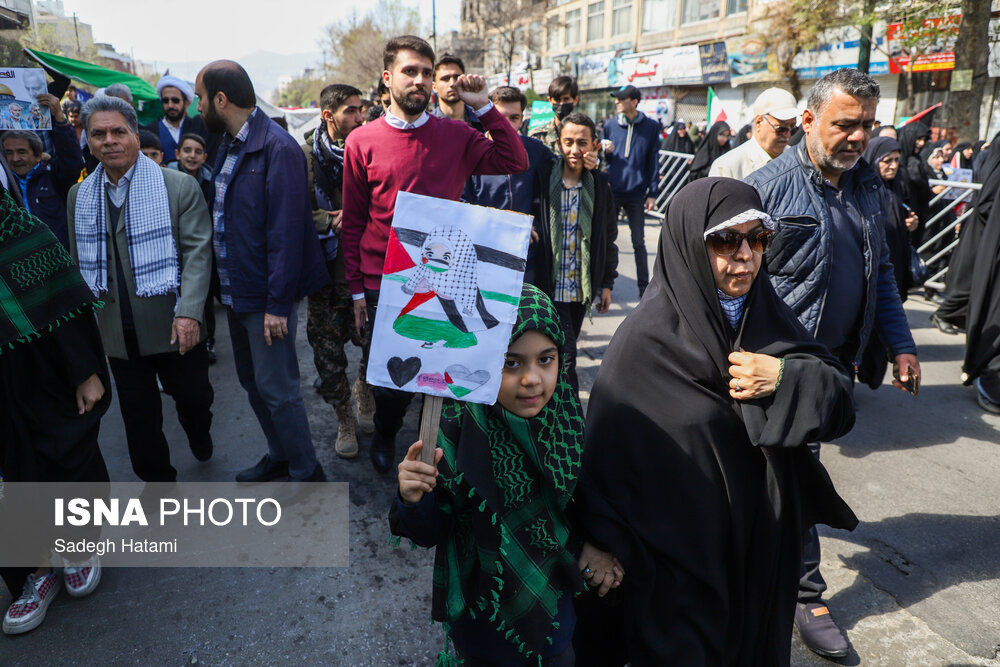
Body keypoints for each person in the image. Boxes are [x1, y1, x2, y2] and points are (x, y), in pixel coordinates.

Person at [574, 178, 857, 666]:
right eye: (726, 240)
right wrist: (594, 543)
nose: (745, 255)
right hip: (677, 572)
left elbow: (839, 404)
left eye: (758, 239)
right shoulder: (643, 346)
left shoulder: (769, 319)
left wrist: (786, 377)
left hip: (760, 561)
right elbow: (604, 467)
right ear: (689, 243)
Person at [745, 68, 919, 660]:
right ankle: (795, 592)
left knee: (797, 476)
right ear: (808, 121)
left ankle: (798, 592)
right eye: (846, 124)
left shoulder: (869, 187)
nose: (858, 137)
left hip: (832, 371)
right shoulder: (766, 189)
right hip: (770, 371)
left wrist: (902, 345)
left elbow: (884, 275)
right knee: (773, 478)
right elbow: (732, 286)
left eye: (867, 126)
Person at [390, 283, 621, 666]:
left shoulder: (566, 420)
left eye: (545, 360)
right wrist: (414, 497)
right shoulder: (456, 428)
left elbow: (584, 506)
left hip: (555, 621)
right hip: (484, 628)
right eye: (510, 363)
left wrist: (596, 543)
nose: (532, 379)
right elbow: (428, 531)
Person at [341, 35, 528, 474]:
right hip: (381, 282)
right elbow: (352, 222)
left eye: (426, 73)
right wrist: (353, 292)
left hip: (448, 275)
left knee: (450, 367)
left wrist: (483, 106)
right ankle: (386, 434)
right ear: (388, 79)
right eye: (410, 71)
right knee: (391, 383)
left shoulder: (457, 134)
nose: (420, 81)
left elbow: (514, 159)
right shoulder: (361, 142)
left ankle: (441, 454)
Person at [67, 94, 215, 483]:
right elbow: (79, 265)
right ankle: (158, 484)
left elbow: (197, 253)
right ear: (88, 141)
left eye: (118, 131)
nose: (109, 140)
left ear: (134, 133)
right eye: (98, 134)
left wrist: (189, 312)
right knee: (138, 416)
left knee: (195, 399)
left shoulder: (178, 187)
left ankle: (199, 432)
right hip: (116, 332)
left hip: (173, 324)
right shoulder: (79, 196)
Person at [196, 59, 329, 485]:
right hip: (237, 292)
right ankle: (281, 456)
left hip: (265, 299)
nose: (198, 107)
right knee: (253, 384)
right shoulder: (230, 143)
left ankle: (307, 473)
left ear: (221, 99)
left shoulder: (278, 148)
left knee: (279, 391)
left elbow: (287, 235)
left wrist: (277, 305)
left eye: (201, 97)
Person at [0, 189, 110, 636]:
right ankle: (36, 572)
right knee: (13, 477)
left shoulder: (28, 234)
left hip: (41, 370)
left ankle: (78, 547)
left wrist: (85, 372)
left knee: (67, 457)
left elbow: (66, 307)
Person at [302, 83, 375, 459]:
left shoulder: (372, 149)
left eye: (361, 109)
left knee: (375, 346)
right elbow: (292, 209)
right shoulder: (304, 158)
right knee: (328, 358)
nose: (360, 117)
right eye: (351, 110)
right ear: (328, 115)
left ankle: (365, 387)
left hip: (367, 271)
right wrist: (328, 220)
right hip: (325, 277)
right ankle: (344, 415)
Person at [528, 112, 618, 392]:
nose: (575, 150)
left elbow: (609, 237)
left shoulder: (599, 185)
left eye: (582, 143)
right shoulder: (544, 177)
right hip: (549, 286)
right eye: (568, 142)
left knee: (557, 353)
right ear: (559, 142)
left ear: (594, 146)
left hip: (580, 288)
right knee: (566, 358)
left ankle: (546, 408)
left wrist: (606, 283)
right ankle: (573, 425)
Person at [935, 138, 1000, 336]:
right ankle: (942, 314)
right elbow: (986, 206)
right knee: (968, 281)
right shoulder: (995, 170)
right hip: (981, 234)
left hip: (985, 233)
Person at [2, 95, 85, 248]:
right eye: (9, 153)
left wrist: (59, 118)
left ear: (38, 155)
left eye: (22, 152)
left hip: (56, 260)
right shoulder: (5, 184)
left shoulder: (52, 175)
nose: (15, 158)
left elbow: (73, 161)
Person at [602, 84, 660, 298]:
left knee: (639, 242)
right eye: (616, 98)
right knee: (605, 238)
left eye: (621, 98)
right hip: (613, 190)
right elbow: (604, 160)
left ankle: (644, 289)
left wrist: (653, 193)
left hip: (637, 193)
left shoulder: (651, 127)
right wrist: (604, 152)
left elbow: (653, 161)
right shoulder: (609, 125)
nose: (617, 101)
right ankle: (603, 285)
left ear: (634, 101)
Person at [467, 86, 554, 216]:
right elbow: (462, 204)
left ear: (521, 120)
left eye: (514, 118)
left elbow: (565, 172)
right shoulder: (471, 152)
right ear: (486, 118)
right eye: (499, 118)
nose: (506, 125)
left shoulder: (536, 150)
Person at [709, 87, 798, 180]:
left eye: (793, 129)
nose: (787, 135)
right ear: (759, 122)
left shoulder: (797, 160)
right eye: (781, 129)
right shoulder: (726, 167)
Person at [144, 75, 214, 169]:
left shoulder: (199, 126)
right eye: (165, 101)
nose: (170, 105)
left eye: (175, 100)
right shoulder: (151, 129)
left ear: (186, 103)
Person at [430, 54, 482, 130]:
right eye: (445, 78)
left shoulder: (482, 121)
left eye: (457, 77)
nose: (452, 84)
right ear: (434, 87)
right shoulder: (427, 126)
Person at [529, 76, 579, 155]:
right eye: (557, 100)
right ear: (550, 101)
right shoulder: (538, 136)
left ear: (575, 100)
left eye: (566, 99)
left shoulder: (584, 134)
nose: (561, 104)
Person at [166, 133, 213, 204]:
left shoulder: (210, 181)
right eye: (187, 151)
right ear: (177, 154)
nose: (192, 155)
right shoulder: (166, 178)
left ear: (204, 157)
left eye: (198, 152)